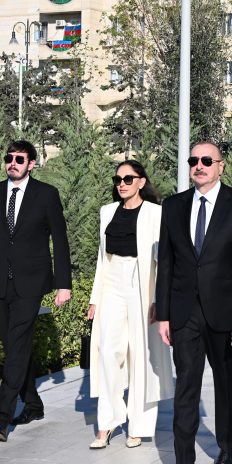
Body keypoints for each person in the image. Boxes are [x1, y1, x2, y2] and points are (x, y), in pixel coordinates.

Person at [151, 141, 232, 464]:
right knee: (186, 386)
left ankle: (226, 449)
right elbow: (167, 263)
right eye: (193, 161)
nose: (198, 166)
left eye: (206, 161)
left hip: (226, 313)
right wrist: (164, 314)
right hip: (185, 314)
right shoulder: (173, 206)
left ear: (220, 166)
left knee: (225, 382)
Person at [0, 140, 72, 443]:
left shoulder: (47, 195)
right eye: (9, 158)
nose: (13, 163)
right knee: (15, 348)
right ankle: (33, 404)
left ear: (31, 163)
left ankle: (3, 416)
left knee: (18, 345)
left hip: (32, 284)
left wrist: (64, 284)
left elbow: (60, 241)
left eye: (19, 159)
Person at [87, 161, 175, 449]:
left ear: (141, 181)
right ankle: (108, 422)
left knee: (141, 354)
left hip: (142, 283)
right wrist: (94, 298)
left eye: (128, 178)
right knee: (106, 352)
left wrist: (158, 300)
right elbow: (102, 258)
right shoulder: (106, 212)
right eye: (117, 179)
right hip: (112, 282)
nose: (121, 183)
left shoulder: (155, 213)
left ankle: (137, 426)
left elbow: (163, 260)